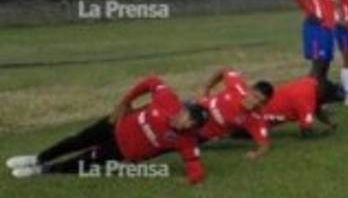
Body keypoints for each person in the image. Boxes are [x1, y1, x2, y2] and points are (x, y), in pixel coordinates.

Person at [7, 75, 208, 184]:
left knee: (85, 161)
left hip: (122, 151)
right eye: (186, 117)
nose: (185, 123)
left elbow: (195, 168)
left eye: (191, 124)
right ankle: (38, 158)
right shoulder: (167, 100)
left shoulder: (186, 140)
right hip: (116, 124)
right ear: (183, 109)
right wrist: (125, 103)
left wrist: (189, 179)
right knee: (76, 140)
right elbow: (151, 81)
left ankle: (43, 170)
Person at [290, 0, 345, 83]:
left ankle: (320, 97)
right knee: (318, 65)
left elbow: (328, 4)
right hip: (316, 28)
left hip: (327, 28)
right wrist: (310, 12)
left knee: (325, 64)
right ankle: (307, 96)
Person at [196, 68, 275, 159]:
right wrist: (206, 88)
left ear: (264, 104)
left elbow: (264, 145)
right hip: (196, 109)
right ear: (249, 91)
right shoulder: (238, 87)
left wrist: (256, 154)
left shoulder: (255, 118)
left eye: (260, 102)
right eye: (255, 96)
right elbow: (224, 70)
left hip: (201, 133)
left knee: (180, 144)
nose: (255, 102)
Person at [260, 75, 337, 136]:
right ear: (322, 94)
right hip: (261, 118)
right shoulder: (307, 103)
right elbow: (306, 132)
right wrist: (323, 134)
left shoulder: (310, 83)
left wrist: (329, 123)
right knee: (254, 134)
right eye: (327, 99)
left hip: (262, 108)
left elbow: (316, 108)